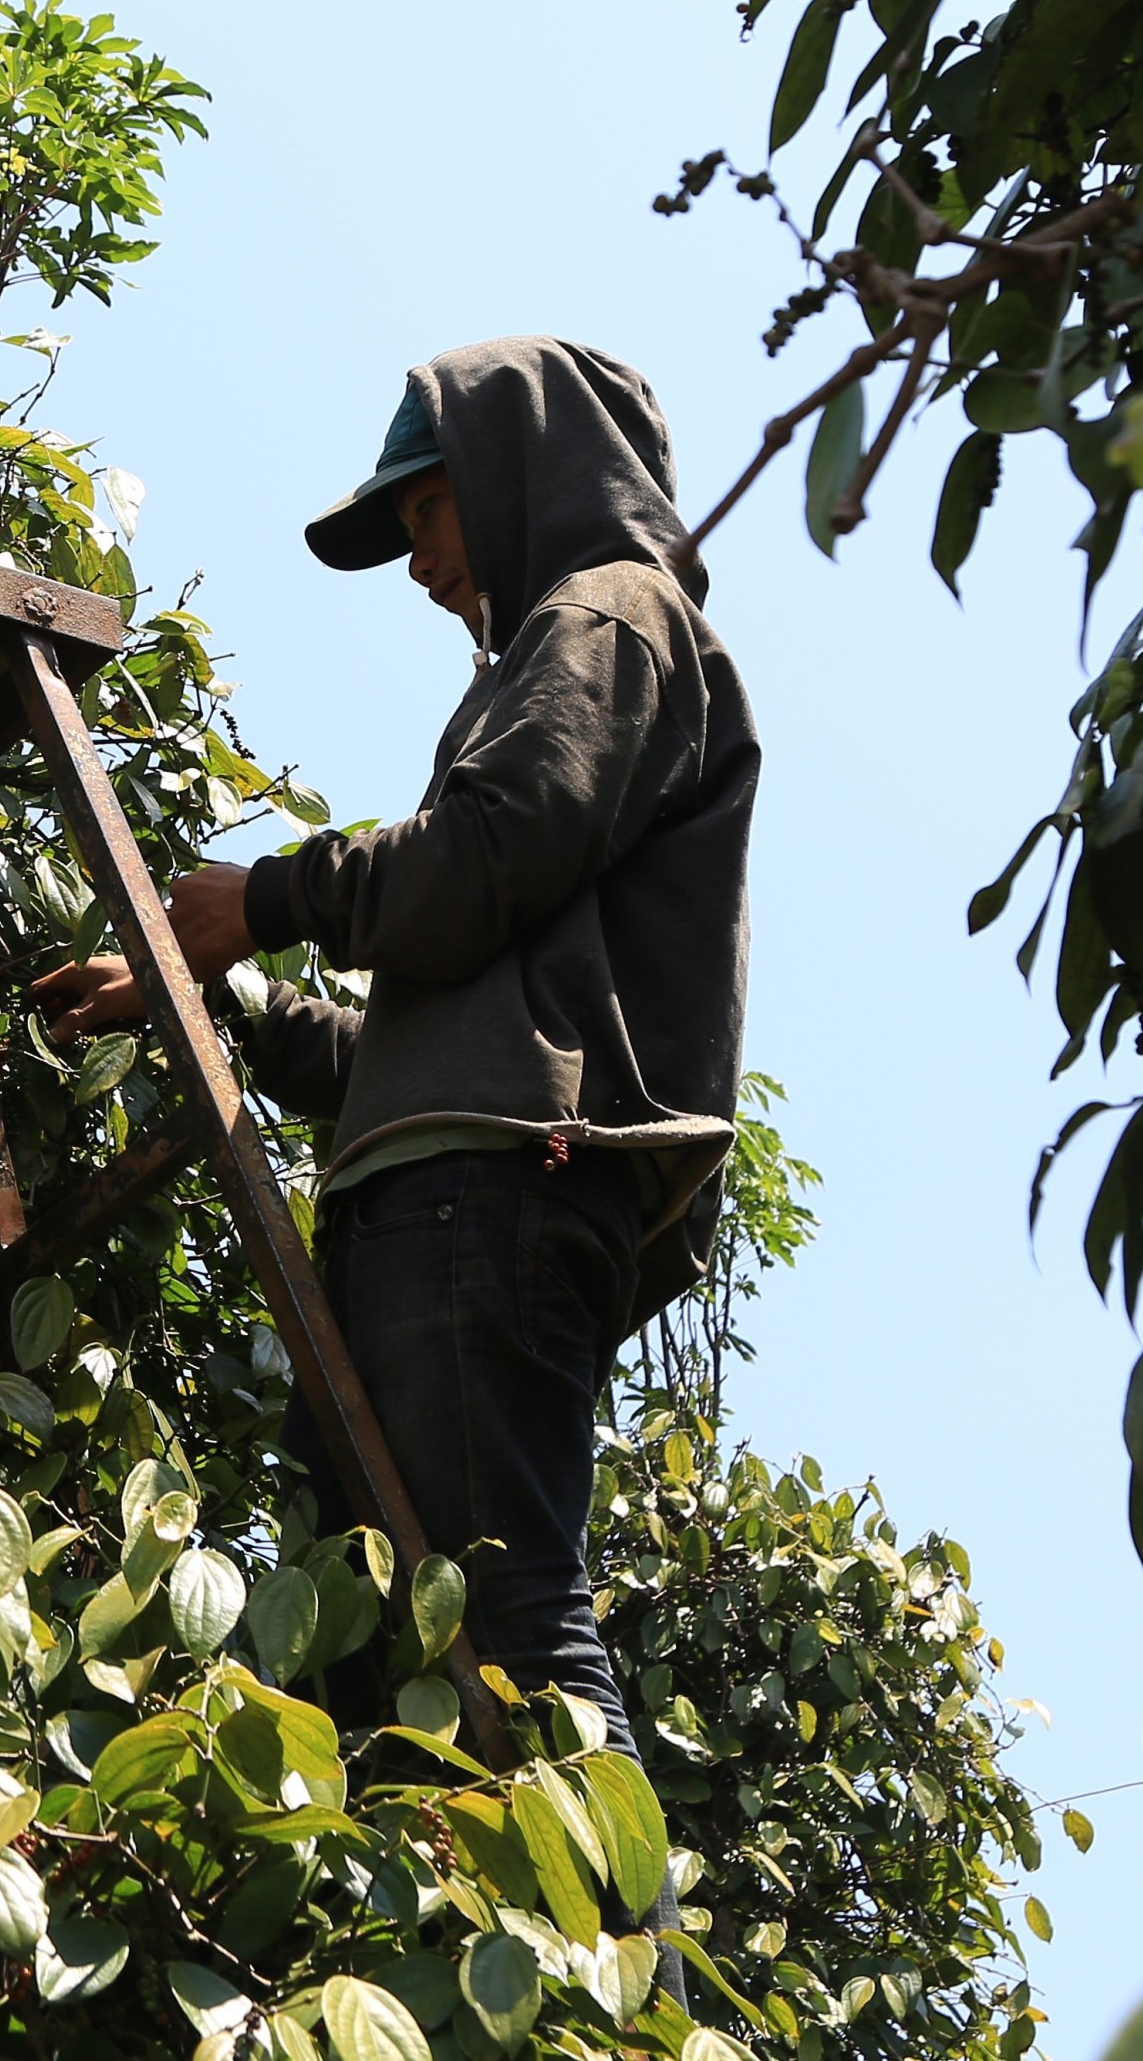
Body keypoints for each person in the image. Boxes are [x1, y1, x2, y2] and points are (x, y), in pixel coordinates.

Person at [37, 338, 756, 1748]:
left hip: (484, 1198)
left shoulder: (606, 615)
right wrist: (204, 995)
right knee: (368, 1674)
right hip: (440, 1194)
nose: (420, 562)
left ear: (509, 473)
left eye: (421, 511)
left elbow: (493, 843)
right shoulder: (554, 657)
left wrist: (266, 901)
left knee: (505, 1627)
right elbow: (421, 1033)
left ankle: (620, 1964)